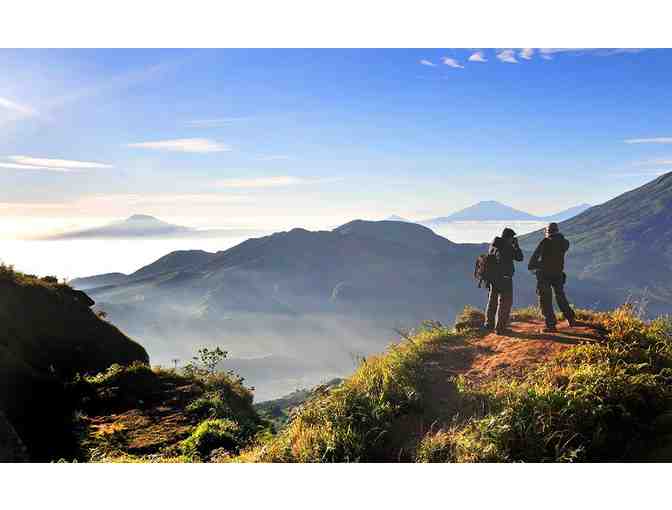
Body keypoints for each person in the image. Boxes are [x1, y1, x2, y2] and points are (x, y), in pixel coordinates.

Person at [528, 222, 577, 332]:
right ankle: (571, 318)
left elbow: (533, 261)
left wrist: (537, 266)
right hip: (558, 274)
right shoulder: (564, 243)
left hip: (544, 275)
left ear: (547, 232)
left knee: (545, 299)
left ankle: (551, 325)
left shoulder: (545, 242)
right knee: (560, 296)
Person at [485, 227, 524, 334]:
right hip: (505, 278)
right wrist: (516, 246)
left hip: (493, 278)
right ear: (509, 238)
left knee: (492, 301)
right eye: (512, 238)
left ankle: (489, 324)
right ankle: (500, 328)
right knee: (505, 303)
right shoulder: (507, 247)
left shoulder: (493, 246)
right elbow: (520, 257)